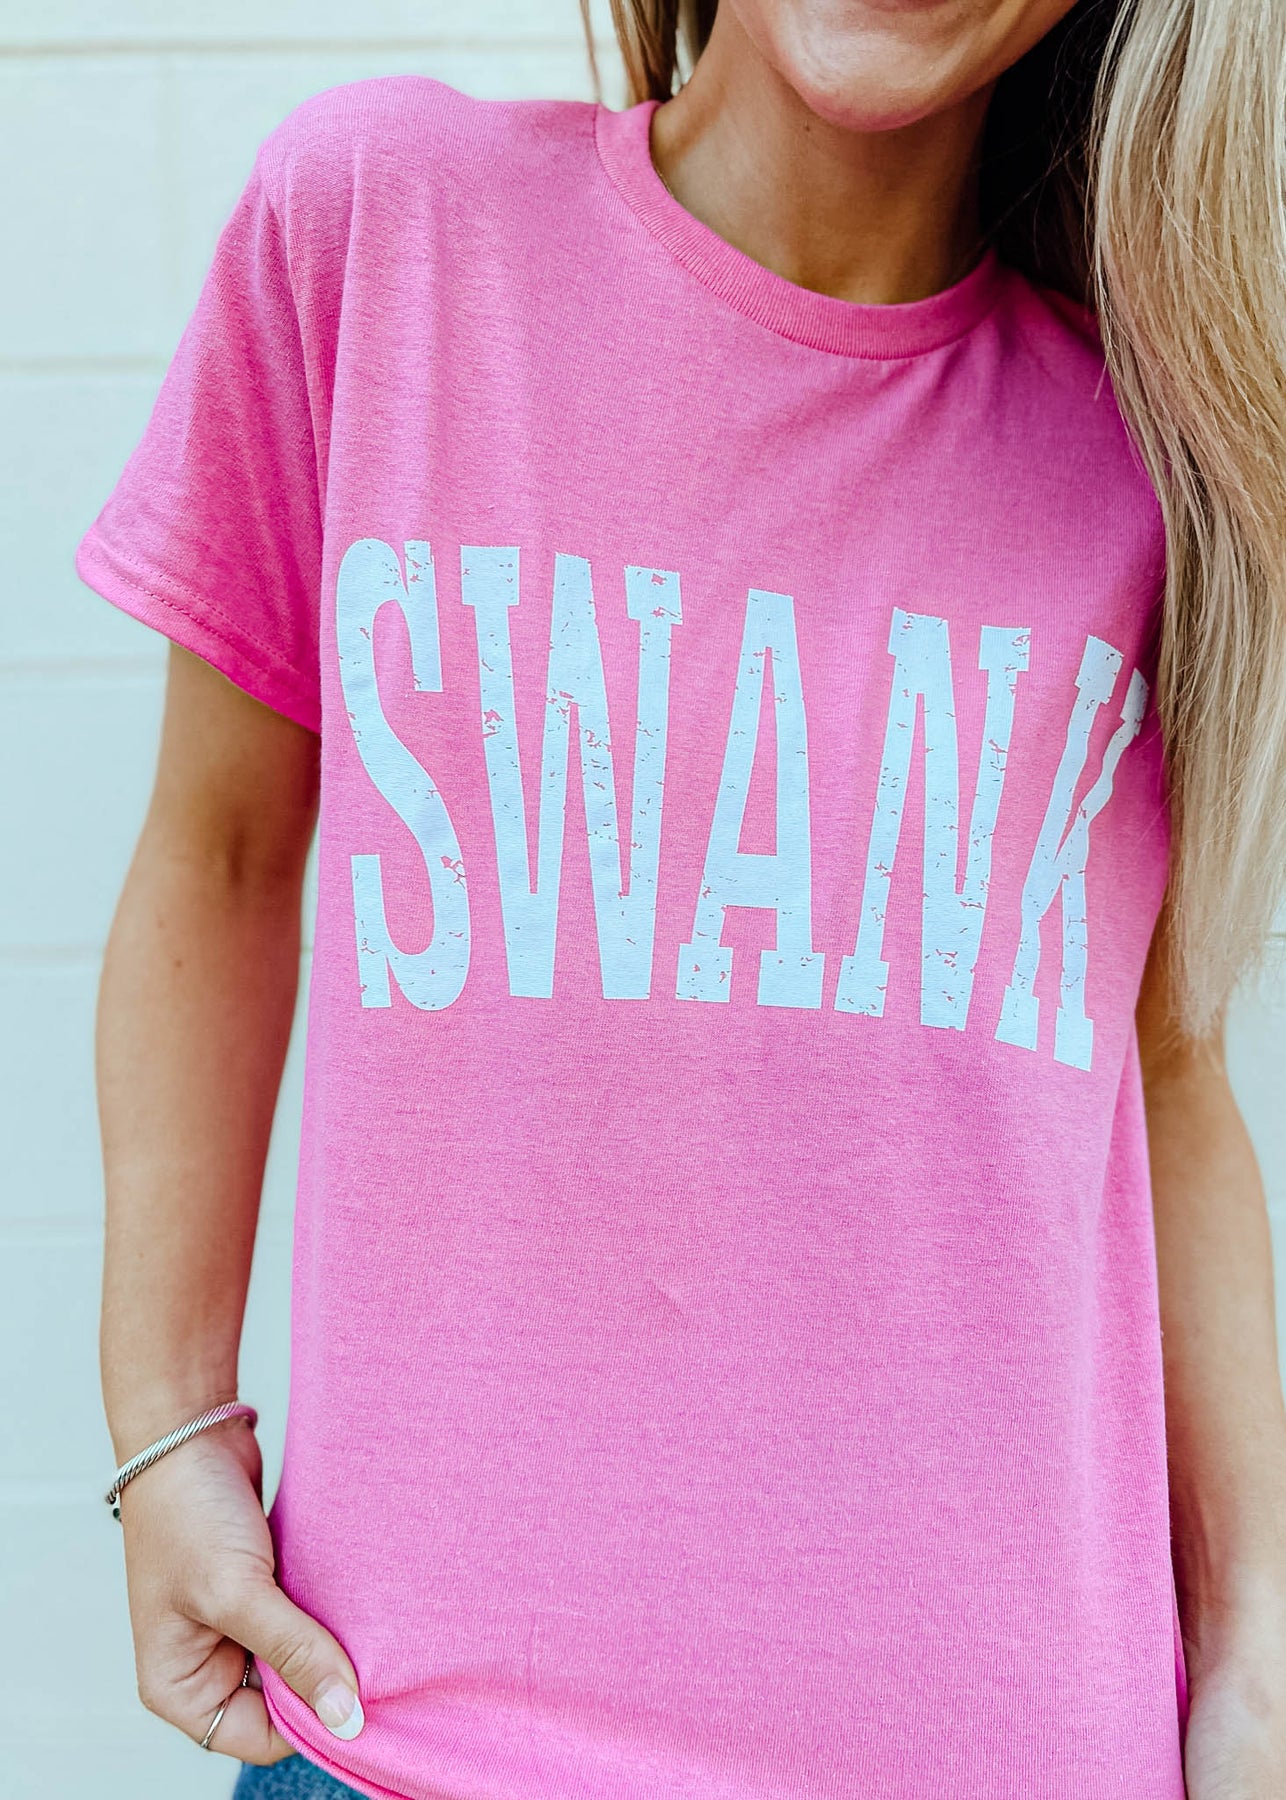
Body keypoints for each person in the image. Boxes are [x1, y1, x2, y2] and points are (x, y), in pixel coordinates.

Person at [76, 0, 1286, 1795]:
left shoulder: (1152, 450)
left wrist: (1257, 1649)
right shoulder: (379, 231)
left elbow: (1163, 1070)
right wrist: (167, 1434)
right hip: (418, 1744)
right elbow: (223, 855)